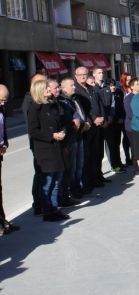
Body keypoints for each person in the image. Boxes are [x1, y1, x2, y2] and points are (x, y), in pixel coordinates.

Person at [27, 80, 71, 222]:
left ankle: (54, 208)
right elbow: (33, 131)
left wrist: (62, 132)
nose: (48, 89)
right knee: (47, 182)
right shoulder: (34, 108)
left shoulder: (52, 104)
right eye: (45, 88)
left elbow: (61, 121)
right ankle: (47, 211)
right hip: (45, 150)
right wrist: (52, 136)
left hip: (57, 147)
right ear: (39, 90)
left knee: (57, 181)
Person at [74, 67, 105, 192]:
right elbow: (82, 110)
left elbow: (100, 103)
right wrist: (93, 119)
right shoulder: (76, 91)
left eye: (84, 74)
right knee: (86, 157)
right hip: (87, 128)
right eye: (80, 75)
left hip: (97, 126)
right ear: (76, 76)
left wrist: (103, 117)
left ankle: (96, 177)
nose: (82, 76)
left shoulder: (92, 89)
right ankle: (86, 182)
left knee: (96, 154)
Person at [56, 78, 85, 207]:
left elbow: (77, 113)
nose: (74, 87)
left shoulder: (73, 99)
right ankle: (68, 193)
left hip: (78, 136)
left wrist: (80, 120)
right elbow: (65, 118)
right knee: (70, 169)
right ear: (64, 88)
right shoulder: (61, 101)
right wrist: (74, 121)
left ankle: (77, 187)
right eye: (71, 85)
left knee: (79, 165)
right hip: (69, 138)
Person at [22, 72, 46, 216]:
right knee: (40, 172)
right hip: (38, 142)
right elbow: (33, 126)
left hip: (46, 141)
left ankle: (44, 202)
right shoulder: (29, 101)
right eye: (41, 83)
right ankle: (37, 203)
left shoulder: (40, 99)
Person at [0, 84, 20, 233]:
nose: (3, 103)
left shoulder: (1, 109)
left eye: (5, 101)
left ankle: (2, 220)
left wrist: (4, 144)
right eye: (1, 100)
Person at [104, 78, 127, 173]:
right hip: (110, 123)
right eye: (110, 86)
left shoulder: (118, 93)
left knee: (117, 144)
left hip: (119, 123)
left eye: (114, 85)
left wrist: (122, 118)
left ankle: (119, 162)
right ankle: (114, 165)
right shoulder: (105, 94)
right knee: (111, 145)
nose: (112, 87)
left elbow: (122, 106)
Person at [124, 78, 139, 176]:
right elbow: (130, 114)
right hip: (132, 127)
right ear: (132, 87)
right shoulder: (128, 98)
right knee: (135, 148)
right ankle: (136, 168)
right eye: (136, 84)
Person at [118, 72, 132, 165]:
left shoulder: (132, 89)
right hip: (124, 117)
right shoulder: (121, 90)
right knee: (126, 138)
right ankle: (127, 157)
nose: (129, 81)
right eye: (128, 79)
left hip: (132, 116)